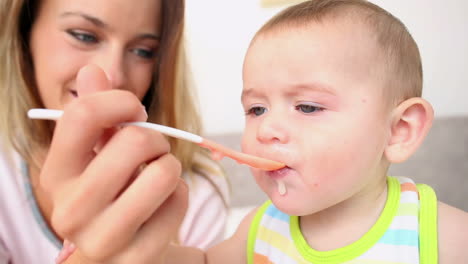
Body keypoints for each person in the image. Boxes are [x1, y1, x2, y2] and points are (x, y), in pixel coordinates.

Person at [157, 0, 467, 263]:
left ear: (399, 130)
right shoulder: (261, 228)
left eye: (307, 107)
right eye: (256, 110)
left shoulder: (440, 234)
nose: (266, 129)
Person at [0, 0, 228, 263]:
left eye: (143, 51)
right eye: (84, 36)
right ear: (24, 33)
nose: (113, 76)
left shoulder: (197, 190)